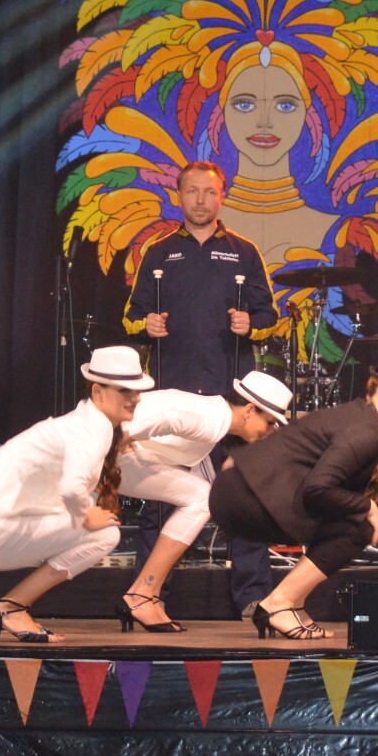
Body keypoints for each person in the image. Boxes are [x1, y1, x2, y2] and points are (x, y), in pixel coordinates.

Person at [123, 161, 279, 618]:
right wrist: (145, 325)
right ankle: (149, 594)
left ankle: (253, 597)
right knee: (159, 501)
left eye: (209, 192)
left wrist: (251, 324)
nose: (200, 200)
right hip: (171, 394)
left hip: (230, 398)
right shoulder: (158, 252)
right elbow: (130, 316)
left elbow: (271, 317)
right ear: (179, 196)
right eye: (192, 192)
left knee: (244, 496)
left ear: (221, 197)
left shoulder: (244, 252)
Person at [209, 350, 378, 640]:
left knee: (347, 521)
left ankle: (293, 604)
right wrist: (367, 506)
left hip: (239, 491)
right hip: (243, 498)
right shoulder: (367, 431)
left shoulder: (362, 417)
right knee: (359, 527)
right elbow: (318, 488)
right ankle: (278, 604)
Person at [0, 346, 151, 643]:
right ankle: (12, 608)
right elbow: (71, 487)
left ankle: (11, 608)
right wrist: (85, 517)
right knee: (104, 533)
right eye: (125, 391)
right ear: (97, 391)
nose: (136, 398)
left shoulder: (83, 423)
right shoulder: (91, 430)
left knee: (97, 521)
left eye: (137, 390)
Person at [115, 370, 291, 632]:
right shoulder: (212, 421)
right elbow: (169, 418)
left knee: (201, 498)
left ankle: (143, 595)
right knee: (200, 500)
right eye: (269, 422)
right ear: (249, 410)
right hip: (111, 453)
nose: (270, 431)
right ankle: (141, 595)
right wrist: (123, 437)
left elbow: (205, 480)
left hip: (121, 450)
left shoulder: (215, 414)